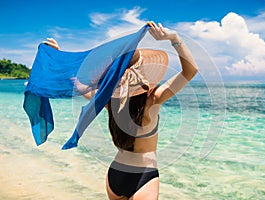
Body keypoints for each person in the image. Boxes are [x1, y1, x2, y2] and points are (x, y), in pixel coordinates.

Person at [44, 21, 198, 200]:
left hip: (115, 174)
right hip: (144, 178)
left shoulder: (109, 101)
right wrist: (174, 38)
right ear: (144, 73)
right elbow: (190, 71)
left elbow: (76, 82)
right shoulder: (152, 101)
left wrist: (58, 56)